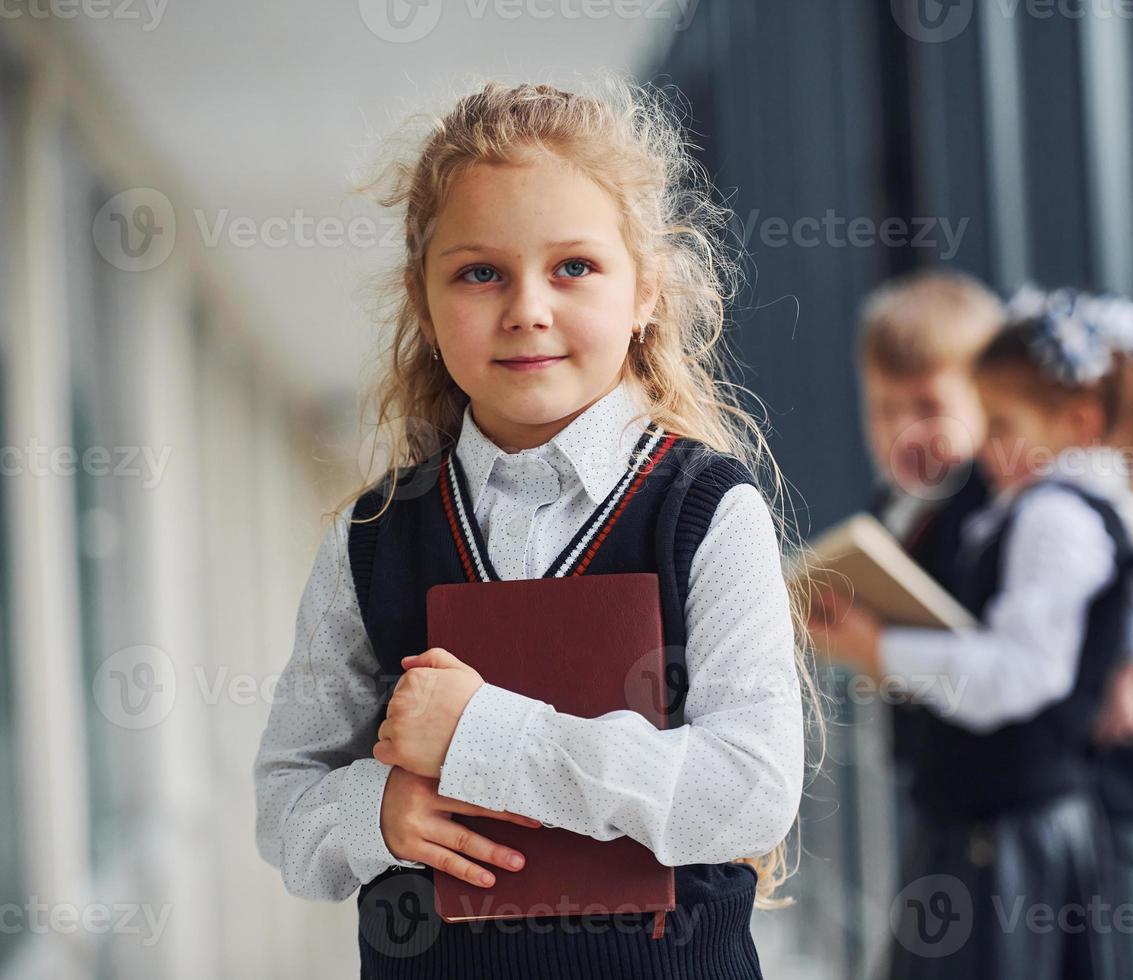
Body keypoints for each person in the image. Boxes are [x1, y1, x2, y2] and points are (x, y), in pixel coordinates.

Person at [252, 77, 822, 979]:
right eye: (480, 272)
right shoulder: (372, 539)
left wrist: (486, 736)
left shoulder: (708, 512)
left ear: (646, 291)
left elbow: (748, 795)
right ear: (425, 303)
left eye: (574, 268)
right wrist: (381, 812)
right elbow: (285, 806)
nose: (527, 308)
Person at [810, 285, 1133, 979]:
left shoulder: (1044, 511)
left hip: (1016, 807)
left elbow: (1025, 663)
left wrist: (1132, 658)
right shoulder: (1015, 504)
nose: (912, 431)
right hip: (976, 799)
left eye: (987, 421)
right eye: (884, 409)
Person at [852, 267, 1002, 857]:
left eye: (928, 406)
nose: (904, 431)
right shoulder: (888, 503)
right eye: (884, 410)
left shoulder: (992, 506)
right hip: (928, 768)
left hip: (992, 783)